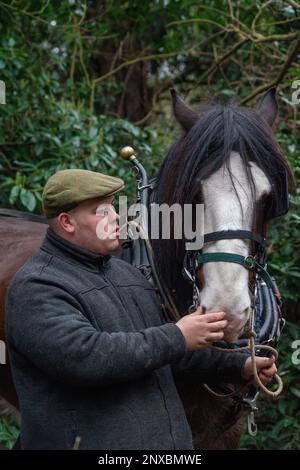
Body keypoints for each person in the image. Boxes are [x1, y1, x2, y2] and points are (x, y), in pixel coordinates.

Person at [5, 169, 276, 450]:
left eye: (113, 207)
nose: (116, 217)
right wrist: (178, 335)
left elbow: (166, 356)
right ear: (67, 222)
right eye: (101, 211)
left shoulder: (125, 275)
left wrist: (238, 365)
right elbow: (86, 357)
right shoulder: (37, 286)